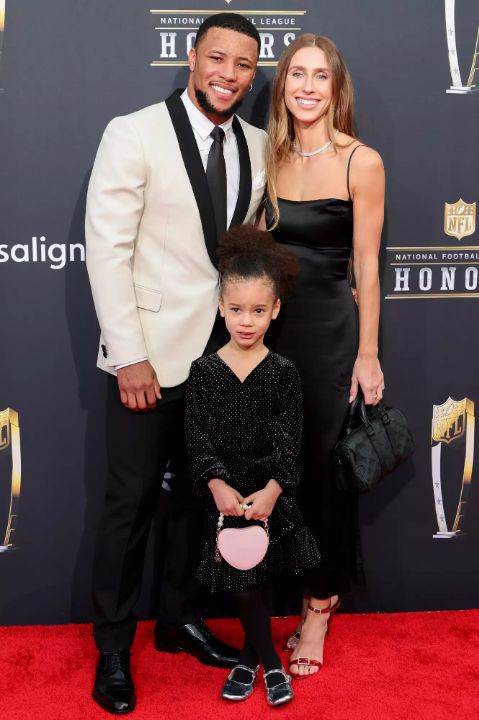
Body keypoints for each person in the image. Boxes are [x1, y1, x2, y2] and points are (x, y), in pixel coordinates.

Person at [85, 13, 267, 714]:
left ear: (254, 74)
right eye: (216, 58)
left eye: (243, 64)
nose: (228, 74)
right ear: (191, 58)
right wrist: (128, 354)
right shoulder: (131, 132)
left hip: (222, 367)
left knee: (199, 504)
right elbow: (108, 251)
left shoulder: (253, 144)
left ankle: (179, 619)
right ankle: (111, 650)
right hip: (148, 362)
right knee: (128, 510)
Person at [262, 34, 385, 678]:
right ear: (282, 85)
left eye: (320, 77)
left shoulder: (359, 162)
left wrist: (367, 353)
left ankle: (317, 607)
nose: (307, 87)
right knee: (275, 466)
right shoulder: (268, 156)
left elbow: (366, 265)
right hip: (271, 336)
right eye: (296, 75)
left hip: (332, 333)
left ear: (336, 88)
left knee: (321, 473)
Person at [184, 225, 320, 706]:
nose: (246, 321)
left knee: (257, 582)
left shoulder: (284, 373)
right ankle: (272, 666)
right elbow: (197, 438)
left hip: (268, 495)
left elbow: (291, 443)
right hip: (225, 499)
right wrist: (217, 484)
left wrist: (273, 491)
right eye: (237, 309)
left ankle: (247, 660)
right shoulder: (204, 371)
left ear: (275, 310)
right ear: (221, 306)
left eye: (258, 310)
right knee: (243, 583)